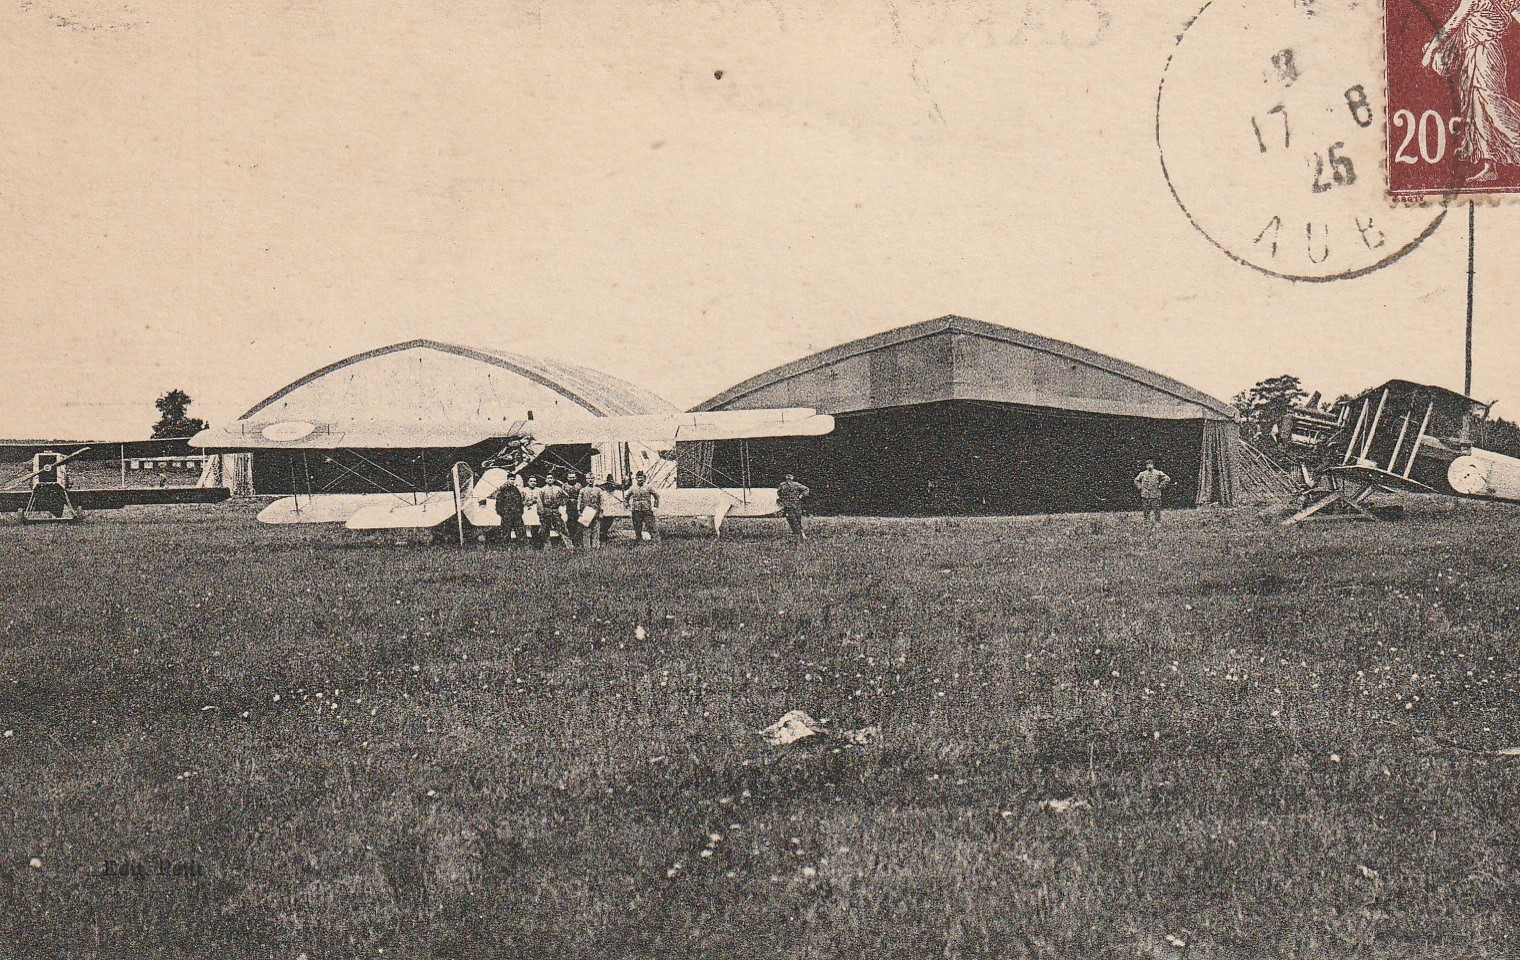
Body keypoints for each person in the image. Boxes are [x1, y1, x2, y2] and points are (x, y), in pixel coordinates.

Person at [1423, 0, 1520, 182]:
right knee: (1476, 107)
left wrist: (1430, 52)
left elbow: (1453, 23)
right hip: (1474, 54)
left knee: (1492, 105)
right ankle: (1488, 165)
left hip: (1486, 53)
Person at [535, 473, 574, 550]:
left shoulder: (558, 489)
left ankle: (569, 547)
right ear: (546, 480)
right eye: (548, 478)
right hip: (546, 511)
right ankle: (547, 548)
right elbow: (539, 502)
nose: (550, 479)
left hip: (555, 511)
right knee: (545, 530)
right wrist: (541, 514)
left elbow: (566, 496)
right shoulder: (542, 490)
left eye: (551, 478)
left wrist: (561, 502)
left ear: (553, 480)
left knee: (563, 528)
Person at [493, 474, 528, 546]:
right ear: (507, 480)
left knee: (520, 531)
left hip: (516, 513)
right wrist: (502, 513)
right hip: (506, 514)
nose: (512, 481)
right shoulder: (502, 490)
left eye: (513, 479)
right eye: (511, 479)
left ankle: (522, 546)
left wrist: (520, 511)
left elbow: (520, 501)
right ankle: (504, 546)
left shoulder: (516, 490)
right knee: (505, 531)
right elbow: (498, 503)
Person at [776, 472, 812, 540]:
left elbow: (806, 489)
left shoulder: (796, 485)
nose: (789, 481)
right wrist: (782, 499)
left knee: (797, 519)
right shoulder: (782, 485)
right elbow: (779, 492)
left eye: (790, 479)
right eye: (787, 479)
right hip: (788, 505)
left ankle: (800, 534)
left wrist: (801, 496)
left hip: (796, 504)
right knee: (791, 519)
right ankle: (798, 534)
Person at [626, 471, 660, 543]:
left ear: (644, 478)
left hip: (647, 510)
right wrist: (627, 506)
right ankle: (639, 541)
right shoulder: (632, 488)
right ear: (636, 479)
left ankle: (655, 541)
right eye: (638, 478)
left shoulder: (649, 487)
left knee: (651, 526)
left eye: (641, 478)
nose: (640, 479)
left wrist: (655, 506)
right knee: (637, 527)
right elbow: (626, 497)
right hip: (636, 510)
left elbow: (657, 496)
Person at [1134, 459, 1171, 524]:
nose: (1149, 466)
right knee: (1146, 509)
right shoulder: (1142, 474)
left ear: (1153, 465)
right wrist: (1140, 487)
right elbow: (1136, 480)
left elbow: (1167, 478)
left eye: (1150, 464)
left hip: (1155, 494)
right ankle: (1146, 522)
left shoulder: (1158, 473)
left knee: (1156, 509)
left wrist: (1161, 485)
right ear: (1146, 466)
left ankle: (1157, 522)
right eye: (1148, 465)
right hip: (1145, 494)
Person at [577, 476, 605, 548]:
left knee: (596, 529)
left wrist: (601, 511)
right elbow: (579, 500)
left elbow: (601, 501)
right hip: (586, 511)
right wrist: (579, 510)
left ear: (594, 479)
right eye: (588, 478)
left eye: (592, 478)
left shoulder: (598, 490)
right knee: (586, 530)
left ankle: (596, 546)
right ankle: (587, 547)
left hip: (596, 511)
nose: (590, 480)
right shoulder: (583, 490)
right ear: (586, 480)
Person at [562, 471, 586, 546]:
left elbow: (582, 497)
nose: (571, 479)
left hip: (577, 508)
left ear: (575, 478)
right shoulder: (564, 486)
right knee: (569, 524)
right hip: (567, 508)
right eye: (570, 477)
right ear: (567, 478)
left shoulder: (579, 486)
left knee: (578, 524)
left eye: (573, 477)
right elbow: (562, 497)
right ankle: (570, 541)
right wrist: (568, 501)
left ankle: (578, 541)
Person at [598, 474, 623, 543]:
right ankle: (602, 535)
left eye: (612, 480)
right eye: (609, 480)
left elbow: (621, 487)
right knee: (605, 522)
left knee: (609, 521)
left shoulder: (614, 485)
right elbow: (599, 486)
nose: (611, 482)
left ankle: (604, 534)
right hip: (605, 506)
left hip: (611, 507)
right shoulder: (605, 485)